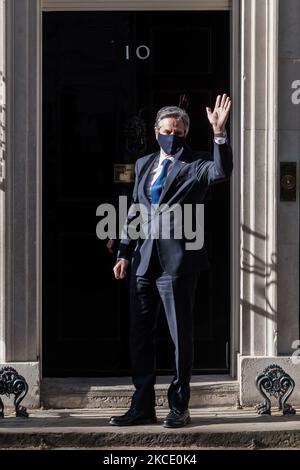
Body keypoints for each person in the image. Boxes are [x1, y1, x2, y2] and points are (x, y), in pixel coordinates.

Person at [109, 94, 233, 428]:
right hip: (142, 263)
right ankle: (142, 406)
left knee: (180, 337)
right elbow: (135, 210)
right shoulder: (143, 164)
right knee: (140, 337)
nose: (172, 136)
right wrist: (123, 252)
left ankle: (180, 406)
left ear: (185, 134)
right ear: (155, 132)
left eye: (178, 132)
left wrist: (219, 133)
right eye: (166, 130)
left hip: (177, 265)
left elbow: (222, 171)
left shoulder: (196, 164)